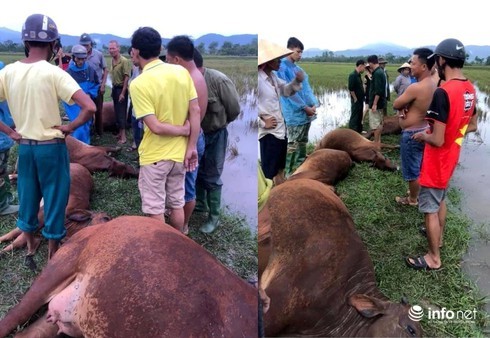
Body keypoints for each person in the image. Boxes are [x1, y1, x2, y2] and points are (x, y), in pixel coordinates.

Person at [0, 14, 95, 263]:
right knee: (54, 198)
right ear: (55, 45)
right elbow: (90, 107)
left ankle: (31, 249)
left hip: (25, 149)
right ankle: (53, 253)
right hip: (51, 148)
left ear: (25, 42)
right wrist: (70, 126)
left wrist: (10, 132)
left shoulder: (8, 72)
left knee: (28, 195)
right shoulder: (55, 73)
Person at [406, 39, 478, 271]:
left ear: (442, 60)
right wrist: (453, 131)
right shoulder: (469, 88)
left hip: (437, 160)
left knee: (429, 208)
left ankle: (433, 258)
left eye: (437, 59)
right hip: (452, 156)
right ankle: (440, 238)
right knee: (440, 199)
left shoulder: (443, 92)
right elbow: (473, 125)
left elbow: (437, 139)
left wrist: (423, 136)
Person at [129, 26, 200, 233]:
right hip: (180, 155)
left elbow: (155, 127)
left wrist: (183, 131)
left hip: (155, 156)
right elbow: (194, 110)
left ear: (136, 51)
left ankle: (162, 249)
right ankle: (179, 239)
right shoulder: (180, 72)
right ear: (159, 48)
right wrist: (191, 145)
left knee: (155, 209)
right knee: (176, 203)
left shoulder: (139, 83)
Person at [193, 49, 241, 233]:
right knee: (196, 169)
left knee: (212, 174)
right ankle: (200, 203)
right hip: (196, 134)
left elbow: (234, 109)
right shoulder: (184, 81)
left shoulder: (218, 80)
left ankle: (214, 217)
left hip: (215, 134)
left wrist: (221, 124)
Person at [166, 35, 208, 235]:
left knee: (187, 189)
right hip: (194, 137)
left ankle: (183, 228)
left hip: (189, 140)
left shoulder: (190, 79)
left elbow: (192, 117)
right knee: (184, 185)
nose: (167, 64)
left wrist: (189, 147)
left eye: (167, 60)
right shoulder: (196, 75)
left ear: (176, 60)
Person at [392, 48, 436, 207]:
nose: (410, 66)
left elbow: (396, 103)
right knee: (420, 165)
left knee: (412, 170)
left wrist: (403, 105)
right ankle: (415, 193)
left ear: (424, 67)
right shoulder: (433, 84)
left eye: (413, 63)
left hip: (411, 134)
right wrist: (408, 104)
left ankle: (412, 200)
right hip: (424, 129)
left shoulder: (416, 87)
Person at [258, 39, 304, 181]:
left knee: (279, 167)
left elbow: (286, 91)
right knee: (269, 171)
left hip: (280, 130)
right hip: (269, 133)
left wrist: (297, 81)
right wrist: (261, 123)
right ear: (269, 61)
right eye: (277, 59)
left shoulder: (273, 77)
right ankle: (269, 198)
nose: (280, 62)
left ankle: (280, 190)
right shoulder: (258, 80)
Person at [276, 37, 319, 178]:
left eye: (301, 52)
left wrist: (313, 104)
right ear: (289, 50)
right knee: (293, 143)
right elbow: (288, 93)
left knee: (302, 141)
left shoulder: (298, 69)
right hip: (294, 113)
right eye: (298, 52)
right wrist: (303, 106)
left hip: (306, 113)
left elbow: (306, 90)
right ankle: (289, 173)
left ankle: (300, 167)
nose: (300, 55)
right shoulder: (281, 68)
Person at [63, 44, 100, 144]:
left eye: (83, 59)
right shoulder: (69, 72)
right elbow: (64, 90)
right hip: (74, 104)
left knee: (87, 123)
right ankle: (78, 145)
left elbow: (96, 84)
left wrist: (90, 94)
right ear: (73, 58)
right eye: (78, 59)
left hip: (87, 102)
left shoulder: (90, 70)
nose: (81, 61)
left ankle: (85, 145)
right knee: (78, 124)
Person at [79, 33, 108, 136]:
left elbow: (106, 69)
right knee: (86, 111)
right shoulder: (79, 56)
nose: (85, 47)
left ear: (91, 44)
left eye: (87, 45)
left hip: (97, 88)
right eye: (83, 45)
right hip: (85, 90)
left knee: (98, 111)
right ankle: (89, 131)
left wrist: (103, 85)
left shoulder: (98, 54)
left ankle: (100, 132)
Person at [0, 61, 19, 216]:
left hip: (4, 139)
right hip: (1, 138)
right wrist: (11, 132)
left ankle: (5, 199)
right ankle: (2, 207)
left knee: (3, 169)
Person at [108, 40, 132, 145]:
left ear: (118, 48)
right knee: (117, 112)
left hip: (121, 89)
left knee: (122, 113)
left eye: (113, 48)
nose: (111, 50)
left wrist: (122, 93)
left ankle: (124, 136)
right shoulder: (112, 61)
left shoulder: (124, 61)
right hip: (115, 88)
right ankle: (119, 133)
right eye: (110, 48)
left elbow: (126, 77)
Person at [367, 55, 387, 143]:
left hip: (376, 103)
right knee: (379, 122)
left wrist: (374, 104)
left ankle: (376, 142)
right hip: (380, 102)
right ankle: (378, 141)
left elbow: (378, 91)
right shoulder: (379, 72)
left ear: (371, 63)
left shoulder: (378, 73)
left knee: (376, 124)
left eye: (369, 63)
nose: (369, 65)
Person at [348, 59, 367, 133]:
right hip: (356, 100)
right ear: (361, 65)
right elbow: (351, 88)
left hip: (360, 99)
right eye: (364, 67)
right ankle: (352, 132)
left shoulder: (359, 75)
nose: (364, 69)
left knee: (360, 114)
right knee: (355, 116)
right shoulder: (353, 75)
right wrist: (355, 98)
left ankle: (359, 130)